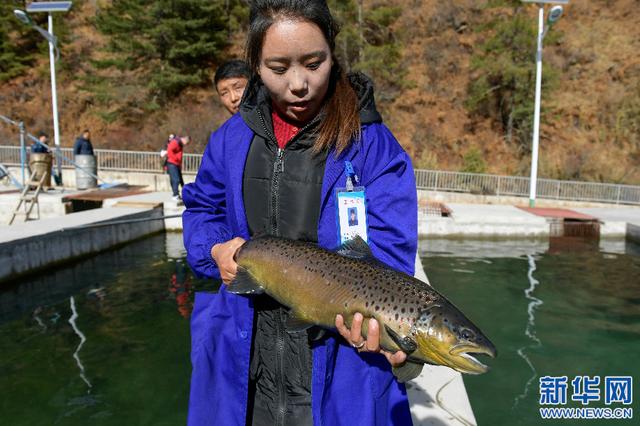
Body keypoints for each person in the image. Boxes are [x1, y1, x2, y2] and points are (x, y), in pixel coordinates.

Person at [182, 1, 417, 425]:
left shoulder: (375, 147)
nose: (299, 84)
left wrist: (376, 331)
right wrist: (215, 248)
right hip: (240, 369)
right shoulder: (229, 139)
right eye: (278, 67)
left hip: (339, 377)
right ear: (255, 65)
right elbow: (202, 208)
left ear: (333, 52)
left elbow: (391, 259)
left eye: (314, 62)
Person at [166, 135, 190, 200]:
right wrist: (176, 159)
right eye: (186, 143)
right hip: (172, 163)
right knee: (176, 179)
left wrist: (180, 163)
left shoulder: (180, 144)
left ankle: (184, 194)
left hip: (176, 164)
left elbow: (179, 154)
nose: (186, 145)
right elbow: (169, 151)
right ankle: (175, 195)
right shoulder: (175, 142)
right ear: (184, 140)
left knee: (181, 180)